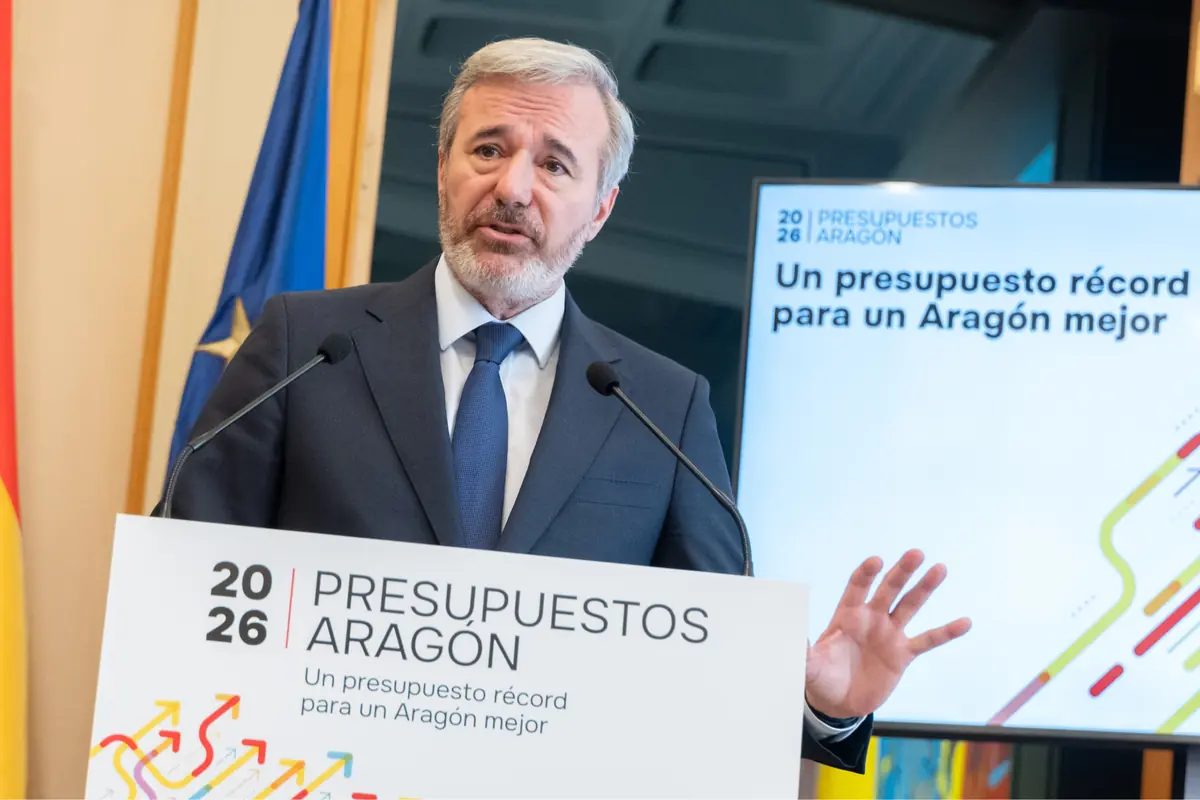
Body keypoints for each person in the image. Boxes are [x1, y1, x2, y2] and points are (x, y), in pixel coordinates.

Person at [165, 37, 970, 774]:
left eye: (554, 165)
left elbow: (711, 662)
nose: (513, 188)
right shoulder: (306, 344)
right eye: (488, 149)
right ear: (444, 167)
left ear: (600, 208)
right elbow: (185, 585)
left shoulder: (663, 407)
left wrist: (821, 706)